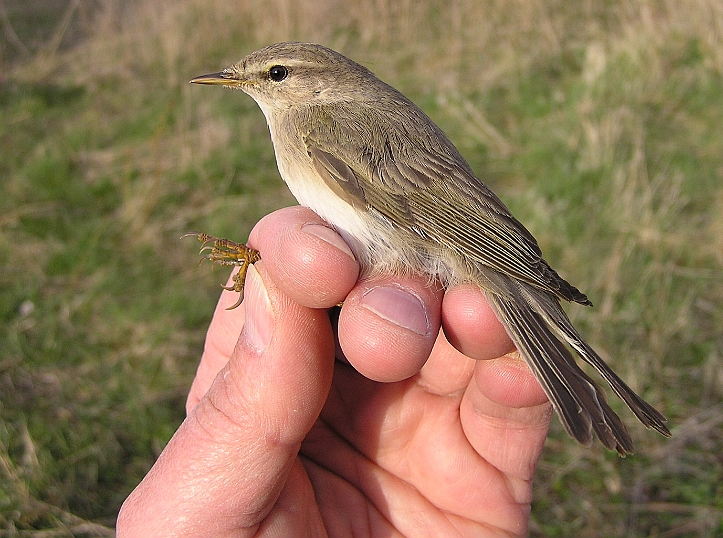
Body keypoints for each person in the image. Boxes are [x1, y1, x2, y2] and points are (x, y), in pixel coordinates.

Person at [116, 207, 552, 537]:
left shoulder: (319, 123)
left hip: (440, 246)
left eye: (276, 77)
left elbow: (418, 213)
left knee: (321, 268)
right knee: (317, 265)